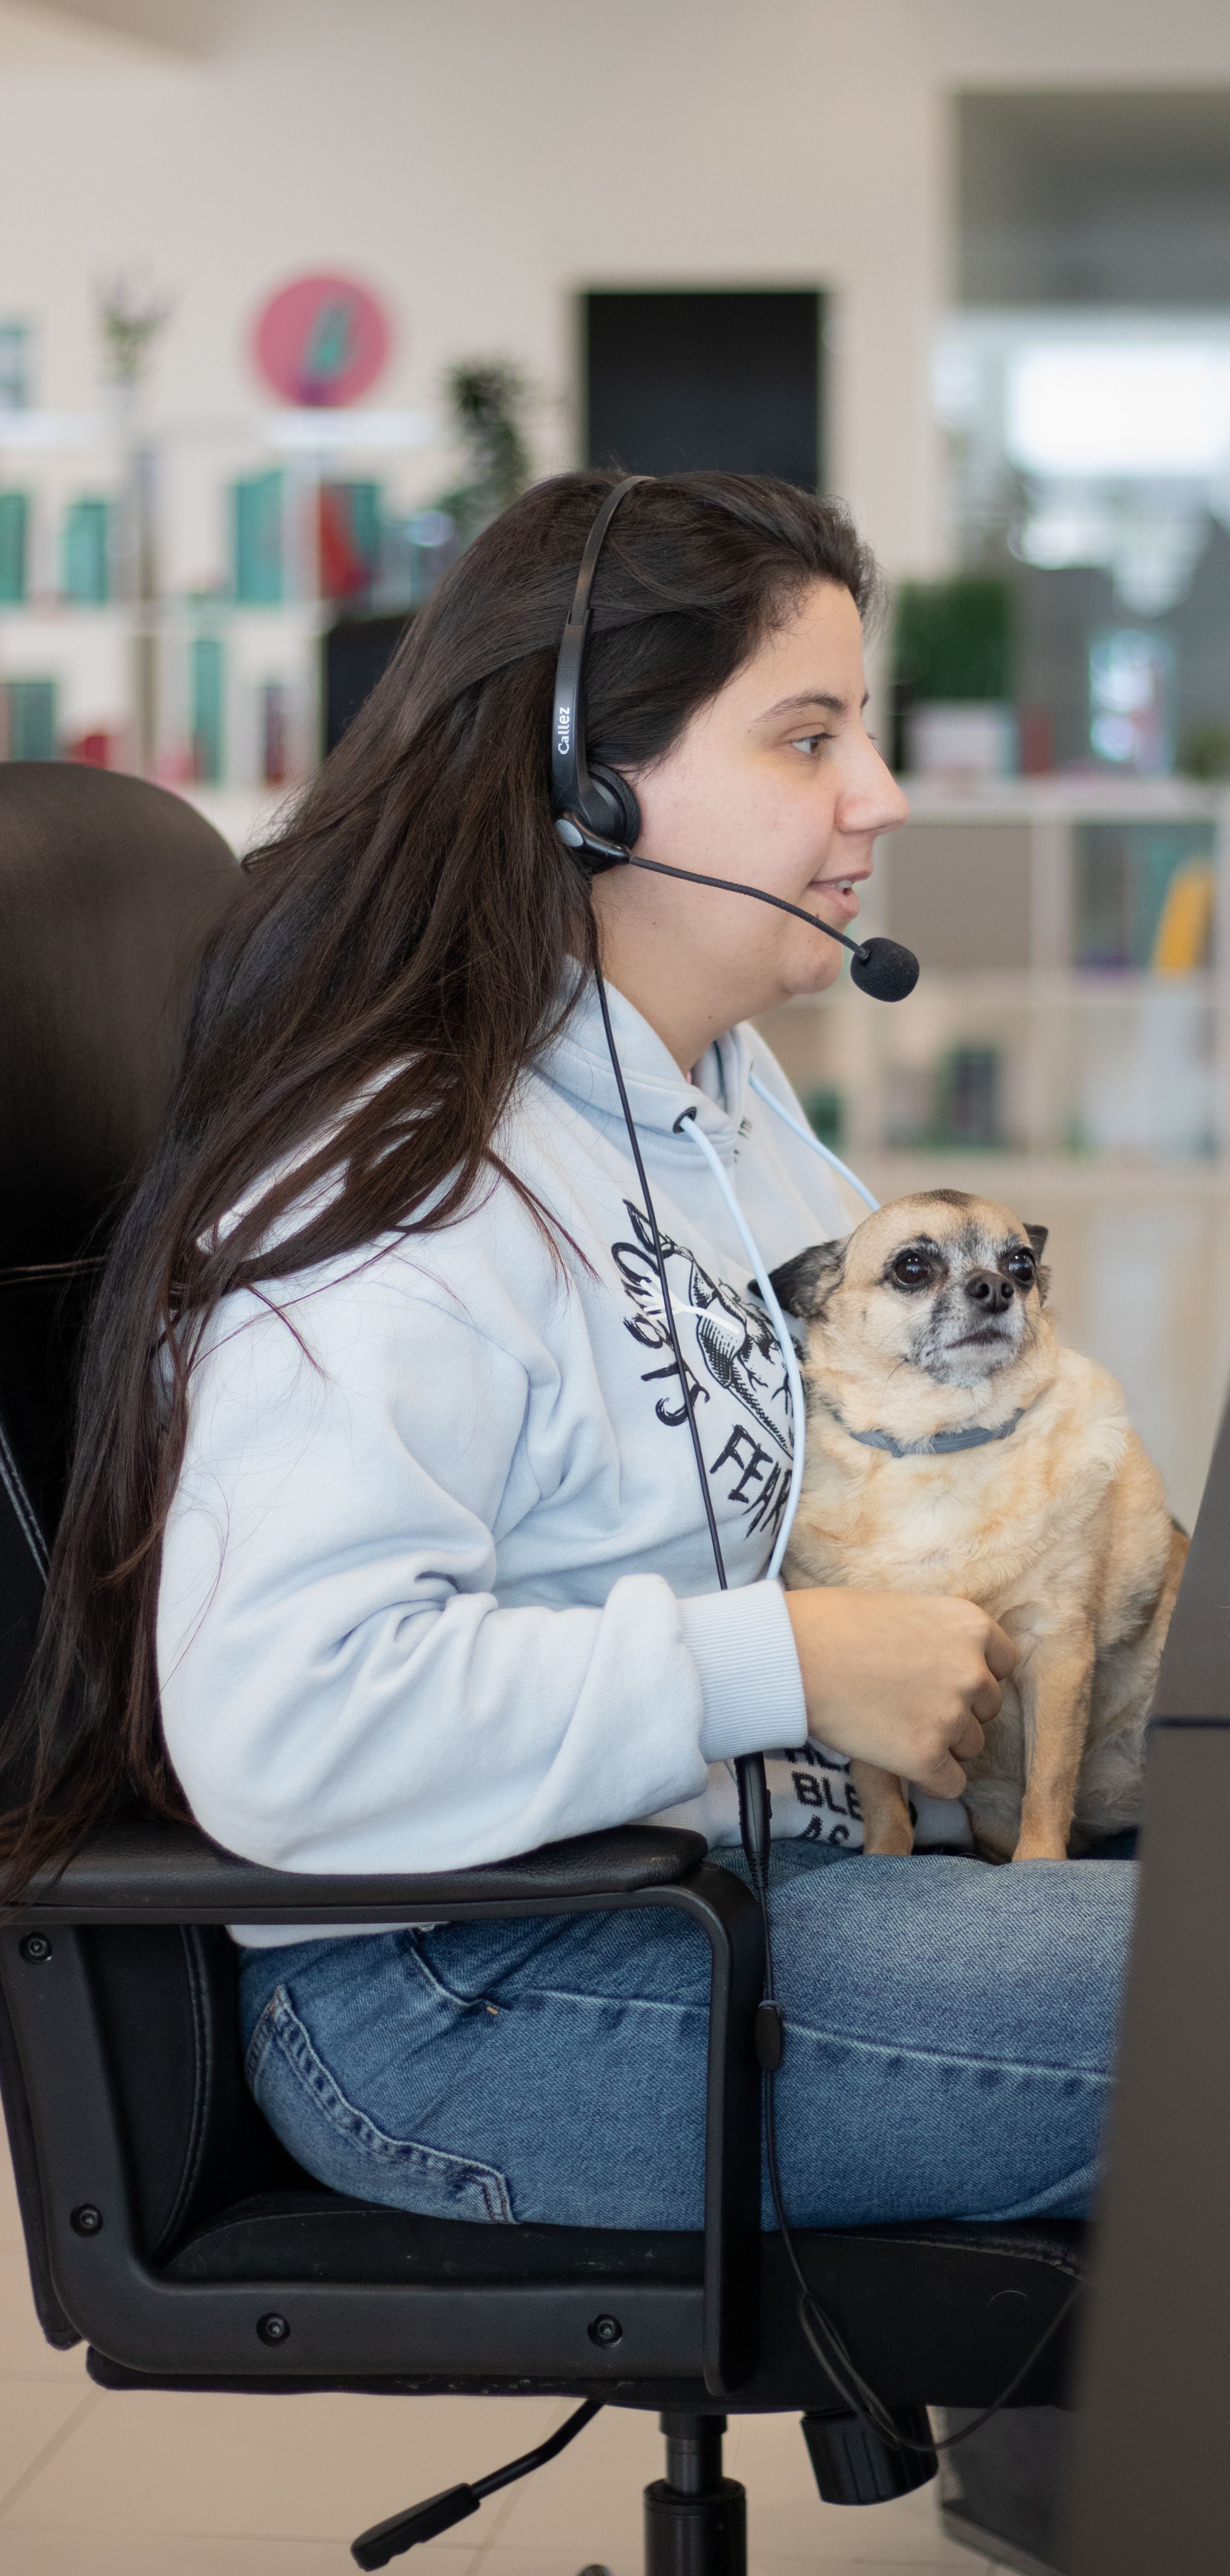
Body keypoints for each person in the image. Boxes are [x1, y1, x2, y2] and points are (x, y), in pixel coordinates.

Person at [1, 470, 1133, 2233]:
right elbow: (287, 1722)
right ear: (588, 790)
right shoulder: (401, 1187)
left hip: (717, 1869)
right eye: (807, 737)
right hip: (460, 1981)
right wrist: (784, 1661)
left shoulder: (709, 1090)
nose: (881, 796)